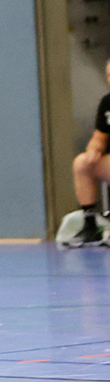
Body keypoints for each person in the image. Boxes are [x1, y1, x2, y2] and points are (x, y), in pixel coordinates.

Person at [70, 58, 110, 245]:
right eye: (109, 75)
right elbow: (100, 136)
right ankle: (90, 225)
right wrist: (94, 148)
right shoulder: (107, 103)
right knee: (82, 163)